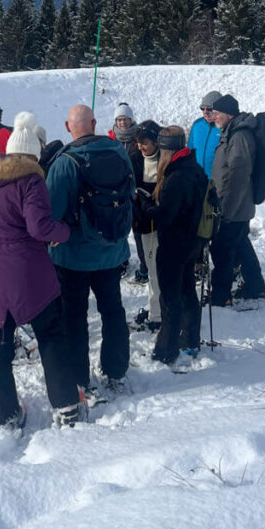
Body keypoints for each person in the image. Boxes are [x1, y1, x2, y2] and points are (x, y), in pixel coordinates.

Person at [0, 112, 82, 428]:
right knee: (50, 336)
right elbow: (39, 228)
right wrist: (64, 231)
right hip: (31, 275)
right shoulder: (30, 180)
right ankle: (66, 405)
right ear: (33, 156)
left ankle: (6, 414)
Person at [47, 104, 134, 397]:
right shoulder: (119, 152)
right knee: (113, 311)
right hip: (111, 251)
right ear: (95, 123)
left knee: (74, 317)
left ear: (68, 126)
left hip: (73, 256)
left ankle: (79, 378)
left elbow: (52, 211)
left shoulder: (65, 162)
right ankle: (116, 371)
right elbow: (129, 195)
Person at [135, 126, 207, 364]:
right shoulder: (193, 167)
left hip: (174, 243)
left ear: (166, 149)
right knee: (187, 291)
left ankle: (166, 349)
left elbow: (164, 215)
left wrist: (145, 205)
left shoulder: (176, 177)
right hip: (192, 241)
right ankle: (190, 340)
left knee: (170, 297)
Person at [207, 94, 265, 306]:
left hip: (233, 206)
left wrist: (225, 209)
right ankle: (255, 287)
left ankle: (221, 297)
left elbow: (238, 175)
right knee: (241, 246)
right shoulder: (231, 131)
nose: (213, 116)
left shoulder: (239, 136)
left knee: (222, 250)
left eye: (216, 113)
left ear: (229, 114)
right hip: (236, 205)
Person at [108, 103, 146, 282]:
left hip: (136, 190)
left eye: (126, 119)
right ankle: (121, 262)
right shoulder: (109, 139)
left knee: (139, 231)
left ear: (131, 120)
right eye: (119, 119)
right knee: (118, 230)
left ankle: (145, 266)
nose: (123, 123)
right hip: (116, 192)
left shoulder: (138, 138)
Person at [130, 120, 162, 332]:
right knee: (150, 267)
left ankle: (157, 313)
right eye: (138, 143)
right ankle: (155, 309)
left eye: (146, 143)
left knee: (157, 269)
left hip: (163, 221)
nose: (141, 147)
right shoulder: (134, 158)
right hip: (143, 222)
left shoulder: (165, 159)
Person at [187, 90, 223, 177]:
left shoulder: (224, 127)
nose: (205, 112)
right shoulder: (197, 125)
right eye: (202, 108)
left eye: (209, 108)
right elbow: (189, 150)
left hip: (217, 180)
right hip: (196, 177)